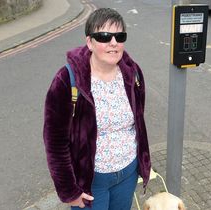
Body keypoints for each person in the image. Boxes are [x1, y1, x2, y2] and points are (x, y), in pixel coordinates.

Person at [43, 8, 151, 210]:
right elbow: (55, 143)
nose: (113, 43)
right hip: (91, 182)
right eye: (104, 36)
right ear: (89, 42)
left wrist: (142, 164)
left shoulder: (133, 73)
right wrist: (69, 191)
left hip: (127, 173)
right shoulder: (67, 80)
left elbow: (138, 122)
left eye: (119, 36)